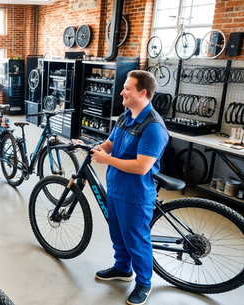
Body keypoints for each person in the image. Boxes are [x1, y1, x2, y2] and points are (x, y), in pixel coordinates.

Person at [78, 70, 168, 305]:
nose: (122, 91)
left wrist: (106, 160)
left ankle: (144, 283)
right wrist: (91, 147)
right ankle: (122, 268)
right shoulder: (125, 116)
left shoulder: (153, 127)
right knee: (118, 235)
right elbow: (110, 143)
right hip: (116, 189)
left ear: (143, 92)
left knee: (136, 241)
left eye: (127, 88)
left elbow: (141, 166)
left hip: (135, 195)